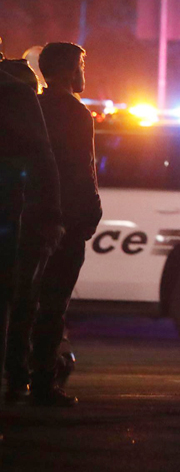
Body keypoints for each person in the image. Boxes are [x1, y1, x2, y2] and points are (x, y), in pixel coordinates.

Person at [5, 43, 101, 407]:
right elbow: (82, 171)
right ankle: (44, 380)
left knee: (24, 301)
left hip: (29, 217)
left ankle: (16, 378)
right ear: (64, 71)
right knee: (53, 305)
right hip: (65, 221)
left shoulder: (32, 109)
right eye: (80, 65)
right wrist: (89, 214)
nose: (82, 73)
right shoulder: (77, 114)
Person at [1, 67, 62, 407]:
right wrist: (52, 216)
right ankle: (16, 376)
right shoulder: (16, 96)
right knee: (15, 303)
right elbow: (43, 159)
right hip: (10, 220)